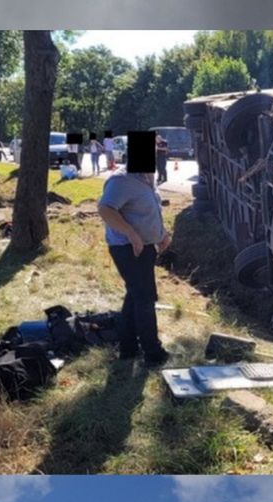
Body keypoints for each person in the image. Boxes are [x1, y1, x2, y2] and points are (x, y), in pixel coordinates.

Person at [97, 130, 173, 367]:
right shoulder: (122, 180)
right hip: (128, 249)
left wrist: (161, 235)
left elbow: (148, 211)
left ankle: (128, 347)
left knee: (135, 297)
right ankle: (153, 354)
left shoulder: (146, 178)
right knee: (145, 298)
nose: (157, 157)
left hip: (146, 247)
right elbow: (105, 209)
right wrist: (132, 235)